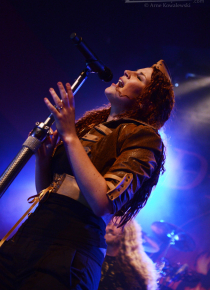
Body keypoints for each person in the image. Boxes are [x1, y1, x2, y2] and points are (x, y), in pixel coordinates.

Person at [0, 60, 174, 290]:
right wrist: (44, 159)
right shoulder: (90, 127)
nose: (127, 71)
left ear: (147, 102)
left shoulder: (146, 138)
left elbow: (103, 201)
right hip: (30, 234)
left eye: (138, 77)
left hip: (70, 249)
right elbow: (48, 192)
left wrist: (70, 136)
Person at [98, 218, 158, 290]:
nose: (110, 228)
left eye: (117, 225)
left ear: (127, 232)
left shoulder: (136, 266)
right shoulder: (95, 255)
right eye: (109, 224)